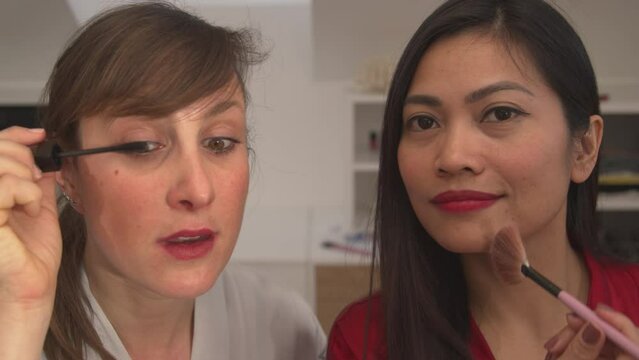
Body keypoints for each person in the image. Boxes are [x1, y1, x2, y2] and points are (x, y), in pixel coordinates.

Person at [0, 2, 326, 360]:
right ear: (69, 175)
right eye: (142, 146)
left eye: (219, 142)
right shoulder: (15, 327)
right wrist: (21, 317)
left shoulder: (287, 332)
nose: (199, 191)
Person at [327, 0, 639, 359]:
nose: (453, 157)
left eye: (500, 113)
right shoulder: (362, 340)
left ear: (584, 147)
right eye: (424, 122)